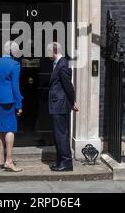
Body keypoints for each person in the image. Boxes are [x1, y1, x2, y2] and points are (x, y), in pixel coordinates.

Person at [0, 41, 24, 172]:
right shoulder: (15, 64)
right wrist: (19, 105)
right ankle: (9, 161)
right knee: (9, 129)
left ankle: (1, 159)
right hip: (9, 101)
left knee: (0, 130)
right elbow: (15, 86)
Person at [47, 42, 79, 172]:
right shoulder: (57, 64)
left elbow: (68, 86)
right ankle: (60, 161)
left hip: (60, 105)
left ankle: (66, 162)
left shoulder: (63, 65)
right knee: (58, 135)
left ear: (53, 52)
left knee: (61, 135)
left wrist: (73, 102)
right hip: (57, 104)